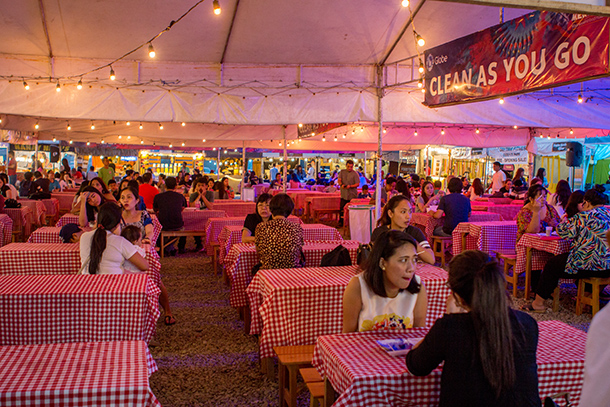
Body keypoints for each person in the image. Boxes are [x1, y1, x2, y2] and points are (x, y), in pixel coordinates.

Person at [406, 250, 540, 407]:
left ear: (457, 295)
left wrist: (450, 317)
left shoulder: (450, 328)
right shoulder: (527, 324)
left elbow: (416, 365)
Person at [523, 186, 610, 312]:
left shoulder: (583, 216)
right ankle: (588, 300)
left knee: (552, 265)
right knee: (593, 262)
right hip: (608, 267)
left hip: (588, 264)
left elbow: (562, 231)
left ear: (586, 202)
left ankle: (538, 303)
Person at [343, 230, 427, 332]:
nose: (411, 268)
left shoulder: (418, 287)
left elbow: (418, 334)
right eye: (403, 260)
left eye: (414, 260)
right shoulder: (358, 286)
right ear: (383, 263)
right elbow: (347, 335)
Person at [580, 229, 610, 406]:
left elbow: (597, 398)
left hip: (587, 264)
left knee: (555, 266)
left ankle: (539, 299)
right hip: (597, 265)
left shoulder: (605, 323)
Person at [79, 202, 148, 275]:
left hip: (88, 282)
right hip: (113, 284)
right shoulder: (120, 242)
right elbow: (145, 266)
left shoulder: (84, 237)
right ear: (117, 224)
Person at [371, 195, 434, 264]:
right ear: (390, 214)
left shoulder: (414, 232)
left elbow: (431, 259)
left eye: (410, 212)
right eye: (403, 212)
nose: (408, 216)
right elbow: (374, 260)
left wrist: (414, 243)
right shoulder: (380, 233)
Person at [255, 193, 304, 270]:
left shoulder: (261, 227)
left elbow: (259, 253)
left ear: (271, 209)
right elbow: (298, 251)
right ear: (290, 211)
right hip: (293, 271)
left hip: (267, 271)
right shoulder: (297, 227)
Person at [153, 177, 187, 255]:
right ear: (176, 186)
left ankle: (164, 248)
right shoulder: (180, 197)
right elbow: (183, 208)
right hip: (177, 224)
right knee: (184, 228)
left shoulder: (158, 197)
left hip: (163, 224)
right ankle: (180, 248)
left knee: (157, 228)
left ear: (164, 186)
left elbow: (155, 210)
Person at [338, 160, 360, 226]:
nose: (349, 168)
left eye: (351, 167)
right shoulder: (342, 172)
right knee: (342, 208)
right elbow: (339, 180)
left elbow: (357, 184)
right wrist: (341, 184)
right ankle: (341, 222)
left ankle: (351, 223)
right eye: (348, 166)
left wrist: (350, 186)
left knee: (352, 210)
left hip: (352, 195)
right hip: (344, 194)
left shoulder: (355, 174)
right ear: (346, 165)